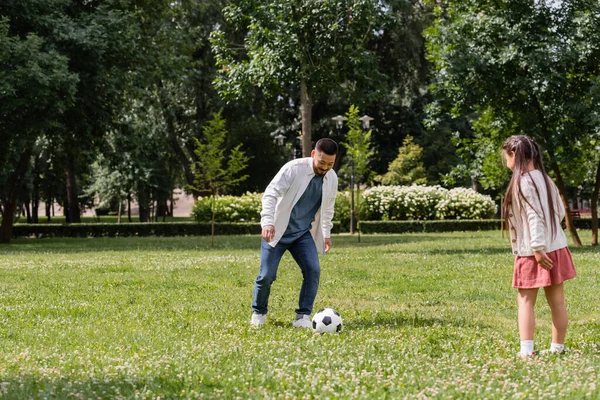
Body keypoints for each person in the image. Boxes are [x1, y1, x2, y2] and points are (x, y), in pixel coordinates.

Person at [250, 138, 339, 328]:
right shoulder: (293, 169)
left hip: (301, 234)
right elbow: (270, 194)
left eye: (330, 164)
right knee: (266, 275)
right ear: (313, 154)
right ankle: (259, 313)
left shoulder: (331, 178)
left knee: (313, 270)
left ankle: (303, 317)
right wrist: (267, 222)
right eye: (322, 162)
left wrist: (326, 233)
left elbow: (328, 208)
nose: (325, 168)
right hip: (277, 232)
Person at [502, 135, 576, 357]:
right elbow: (559, 213)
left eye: (506, 156)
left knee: (525, 302)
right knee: (557, 303)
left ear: (514, 154)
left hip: (533, 252)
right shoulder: (545, 179)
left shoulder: (523, 182)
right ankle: (557, 348)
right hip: (557, 247)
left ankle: (526, 351)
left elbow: (534, 217)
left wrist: (537, 247)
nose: (505, 160)